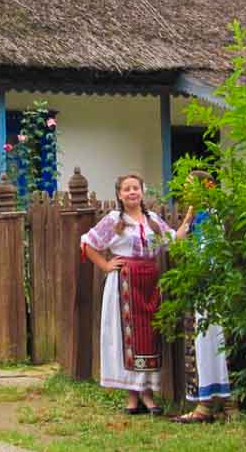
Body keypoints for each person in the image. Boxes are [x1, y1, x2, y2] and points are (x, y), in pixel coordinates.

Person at [80, 173, 193, 415]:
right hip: (124, 284)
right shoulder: (114, 220)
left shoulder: (153, 220)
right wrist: (106, 265)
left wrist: (189, 219)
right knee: (127, 338)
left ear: (142, 192)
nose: (132, 192)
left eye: (136, 188)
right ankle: (132, 396)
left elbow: (172, 241)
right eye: (126, 189)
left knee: (149, 337)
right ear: (119, 194)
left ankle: (148, 395)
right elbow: (88, 244)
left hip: (149, 283)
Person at [173, 170, 232, 423]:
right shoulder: (199, 216)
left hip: (211, 286)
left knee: (212, 340)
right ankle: (208, 404)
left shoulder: (211, 216)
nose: (185, 192)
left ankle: (216, 405)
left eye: (189, 187)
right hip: (203, 287)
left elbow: (209, 255)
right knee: (203, 342)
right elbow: (177, 241)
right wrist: (188, 215)